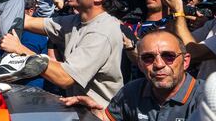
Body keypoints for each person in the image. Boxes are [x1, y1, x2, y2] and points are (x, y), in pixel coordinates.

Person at [0, 0, 125, 108]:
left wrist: (21, 49)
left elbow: (65, 78)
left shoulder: (101, 32)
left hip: (100, 114)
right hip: (80, 110)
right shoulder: (75, 21)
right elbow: (30, 22)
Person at [62, 30, 204, 120]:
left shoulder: (207, 98)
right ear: (140, 64)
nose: (159, 64)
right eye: (148, 58)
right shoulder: (131, 92)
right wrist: (94, 113)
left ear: (185, 62)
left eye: (168, 56)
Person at [161, 0, 216, 80]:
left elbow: (192, 53)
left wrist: (179, 12)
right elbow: (176, 44)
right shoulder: (213, 23)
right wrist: (172, 12)